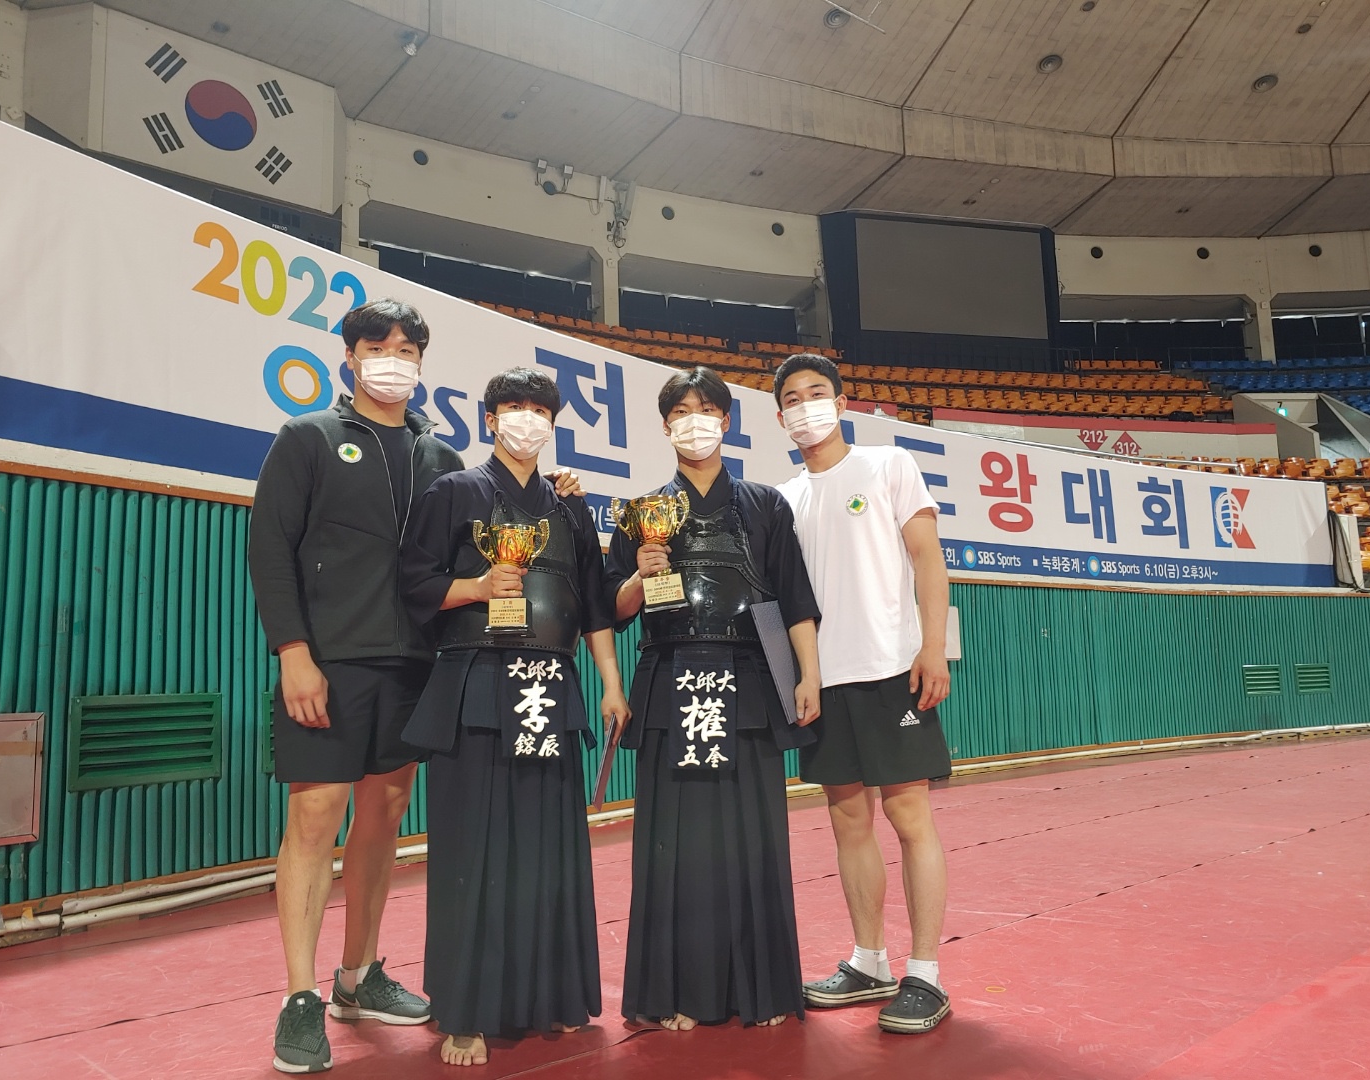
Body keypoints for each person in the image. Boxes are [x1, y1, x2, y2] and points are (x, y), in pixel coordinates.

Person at [248, 298, 463, 1074]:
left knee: (386, 812)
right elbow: (270, 548)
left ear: (421, 362)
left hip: (411, 664)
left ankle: (358, 975)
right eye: (378, 345)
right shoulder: (308, 437)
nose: (393, 359)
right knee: (315, 815)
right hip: (329, 662)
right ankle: (300, 996)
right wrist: (293, 651)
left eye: (407, 348)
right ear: (349, 357)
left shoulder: (440, 457)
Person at [400, 366, 631, 1067]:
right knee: (473, 848)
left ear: (553, 424)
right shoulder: (453, 491)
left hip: (551, 686)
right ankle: (466, 1010)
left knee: (548, 849)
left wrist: (611, 683)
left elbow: (594, 606)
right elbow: (412, 582)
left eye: (539, 410)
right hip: (476, 682)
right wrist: (475, 587)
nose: (527, 419)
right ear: (490, 419)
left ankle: (552, 995)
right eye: (514, 407)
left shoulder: (568, 508)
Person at [608, 366, 822, 1032]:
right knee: (675, 841)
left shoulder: (765, 505)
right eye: (681, 412)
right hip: (670, 677)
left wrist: (808, 675)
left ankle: (762, 989)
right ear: (665, 426)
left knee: (754, 836)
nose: (693, 422)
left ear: (726, 422)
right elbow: (611, 610)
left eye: (705, 410)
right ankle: (675, 990)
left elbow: (794, 597)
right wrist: (638, 577)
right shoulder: (641, 512)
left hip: (750, 678)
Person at [773, 353, 955, 1036]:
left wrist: (932, 647)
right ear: (781, 418)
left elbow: (928, 558)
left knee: (909, 816)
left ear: (842, 403)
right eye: (793, 399)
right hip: (825, 679)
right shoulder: (785, 499)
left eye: (817, 393)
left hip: (891, 669)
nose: (806, 407)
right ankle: (869, 961)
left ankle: (925, 973)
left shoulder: (889, 466)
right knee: (848, 821)